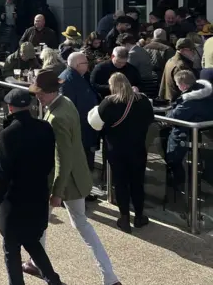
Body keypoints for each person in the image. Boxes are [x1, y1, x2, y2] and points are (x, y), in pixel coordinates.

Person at [28, 70, 121, 285]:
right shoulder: (65, 103)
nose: (38, 97)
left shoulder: (58, 116)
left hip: (63, 181)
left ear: (52, 91)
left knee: (49, 223)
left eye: (41, 93)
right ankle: (109, 276)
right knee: (72, 224)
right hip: (75, 177)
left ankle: (108, 275)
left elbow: (63, 157)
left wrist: (57, 192)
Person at [0, 88, 62, 285]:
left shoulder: (8, 135)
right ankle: (53, 279)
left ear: (10, 108)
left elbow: (2, 174)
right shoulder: (45, 128)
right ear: (28, 106)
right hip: (37, 195)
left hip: (14, 200)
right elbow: (49, 163)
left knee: (11, 249)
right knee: (32, 242)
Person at [88, 73, 154, 233]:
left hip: (116, 149)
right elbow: (150, 119)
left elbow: (95, 125)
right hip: (138, 148)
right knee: (137, 183)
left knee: (121, 183)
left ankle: (124, 218)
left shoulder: (109, 103)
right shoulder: (143, 100)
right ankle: (139, 216)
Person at [59, 52, 101, 200]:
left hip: (86, 127)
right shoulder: (68, 80)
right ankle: (71, 194)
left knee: (84, 162)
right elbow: (66, 108)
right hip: (78, 129)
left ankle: (84, 191)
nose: (88, 65)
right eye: (85, 63)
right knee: (74, 163)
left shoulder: (80, 77)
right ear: (77, 65)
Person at [164, 70, 213, 188]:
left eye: (177, 84)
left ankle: (178, 184)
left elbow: (174, 116)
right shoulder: (206, 94)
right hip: (203, 136)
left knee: (173, 158)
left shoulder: (188, 100)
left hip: (184, 135)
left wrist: (169, 111)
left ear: (183, 85)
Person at [159, 38, 197, 102]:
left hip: (171, 100)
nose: (194, 52)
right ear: (183, 50)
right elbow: (187, 88)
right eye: (192, 50)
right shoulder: (181, 65)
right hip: (179, 102)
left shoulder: (171, 60)